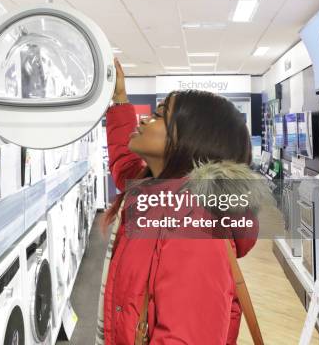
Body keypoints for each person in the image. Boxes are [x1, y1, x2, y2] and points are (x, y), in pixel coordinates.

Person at [95, 59, 273, 344]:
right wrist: (119, 100)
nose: (144, 120)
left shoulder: (194, 230)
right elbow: (124, 164)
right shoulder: (156, 193)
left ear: (191, 140)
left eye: (158, 115)